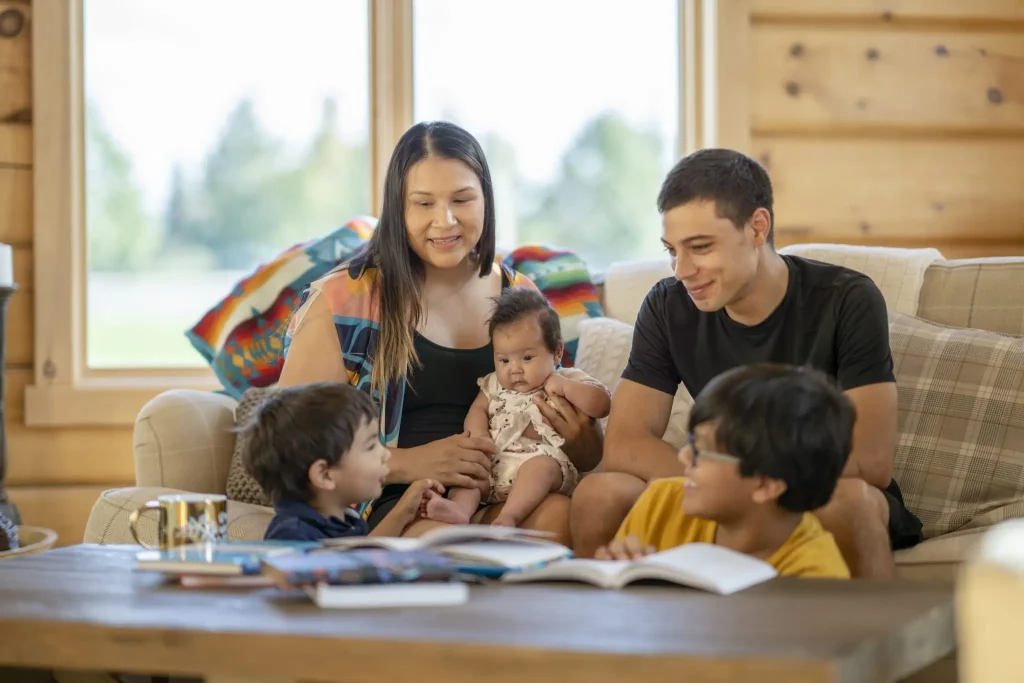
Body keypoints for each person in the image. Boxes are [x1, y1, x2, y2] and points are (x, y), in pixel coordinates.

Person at [571, 148, 923, 577]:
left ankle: (870, 642)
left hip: (815, 488)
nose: (681, 270)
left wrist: (748, 484)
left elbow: (871, 461)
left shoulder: (847, 299)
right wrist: (721, 487)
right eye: (671, 250)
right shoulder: (668, 305)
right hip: (719, 484)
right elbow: (626, 445)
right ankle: (605, 636)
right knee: (600, 493)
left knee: (849, 502)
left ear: (758, 227)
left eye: (699, 247)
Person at [276, 121, 602, 544]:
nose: (444, 221)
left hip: (508, 484)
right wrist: (411, 463)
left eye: (462, 199)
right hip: (397, 498)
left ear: (486, 200)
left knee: (558, 520)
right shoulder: (346, 300)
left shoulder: (521, 297)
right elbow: (288, 445)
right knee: (448, 547)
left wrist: (580, 437)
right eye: (423, 203)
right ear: (399, 208)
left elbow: (584, 445)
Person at [595, 364, 851, 579]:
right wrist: (618, 581)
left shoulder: (815, 576)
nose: (684, 456)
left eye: (700, 450)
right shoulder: (661, 502)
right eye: (690, 443)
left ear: (765, 485)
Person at [424, 288, 611, 528]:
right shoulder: (493, 384)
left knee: (541, 468)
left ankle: (509, 516)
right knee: (470, 475)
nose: (514, 369)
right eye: (504, 360)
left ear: (557, 353)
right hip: (496, 463)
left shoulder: (566, 379)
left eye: (527, 358)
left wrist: (565, 387)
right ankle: (459, 510)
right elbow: (478, 410)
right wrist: (479, 435)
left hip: (540, 461)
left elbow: (601, 404)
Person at [240, 382, 443, 541]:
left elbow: (360, 554)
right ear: (324, 474)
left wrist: (405, 510)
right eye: (371, 446)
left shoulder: (345, 519)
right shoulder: (293, 535)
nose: (386, 455)